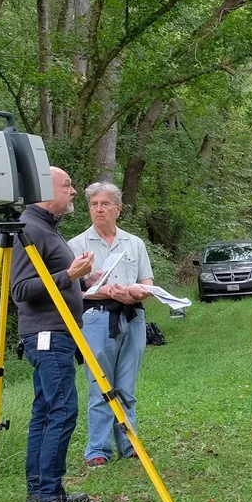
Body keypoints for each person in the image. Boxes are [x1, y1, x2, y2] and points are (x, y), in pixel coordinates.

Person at [11, 166, 95, 502]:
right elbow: (21, 290)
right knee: (61, 411)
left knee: (46, 411)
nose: (73, 191)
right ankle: (48, 496)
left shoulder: (44, 229)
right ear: (46, 189)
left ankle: (43, 491)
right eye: (68, 185)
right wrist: (69, 276)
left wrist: (82, 283)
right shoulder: (29, 229)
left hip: (57, 334)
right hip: (47, 336)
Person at [68, 181, 155, 469]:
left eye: (105, 204)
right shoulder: (77, 245)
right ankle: (97, 450)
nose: (98, 209)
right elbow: (73, 289)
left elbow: (147, 281)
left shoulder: (134, 243)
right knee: (100, 386)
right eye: (93, 204)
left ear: (118, 209)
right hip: (96, 318)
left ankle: (130, 445)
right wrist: (105, 291)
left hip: (133, 316)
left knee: (127, 386)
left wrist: (136, 293)